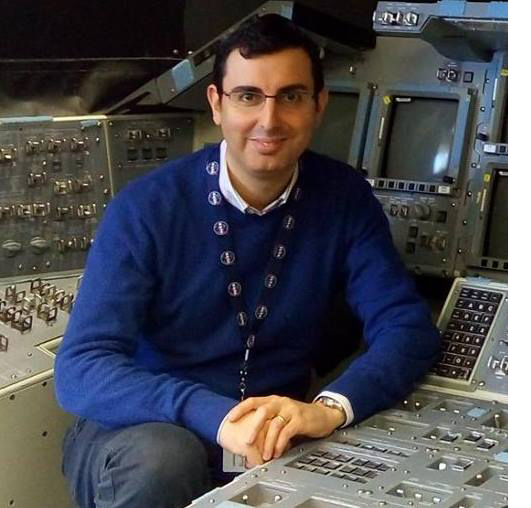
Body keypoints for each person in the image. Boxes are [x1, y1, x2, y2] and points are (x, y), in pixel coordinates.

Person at [54, 13, 440, 508]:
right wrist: (214, 415)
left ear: (319, 105)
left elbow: (407, 328)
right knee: (164, 459)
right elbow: (82, 367)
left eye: (291, 97)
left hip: (271, 434)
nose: (269, 120)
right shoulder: (145, 208)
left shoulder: (344, 198)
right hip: (144, 428)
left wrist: (328, 409)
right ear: (217, 104)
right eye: (248, 96)